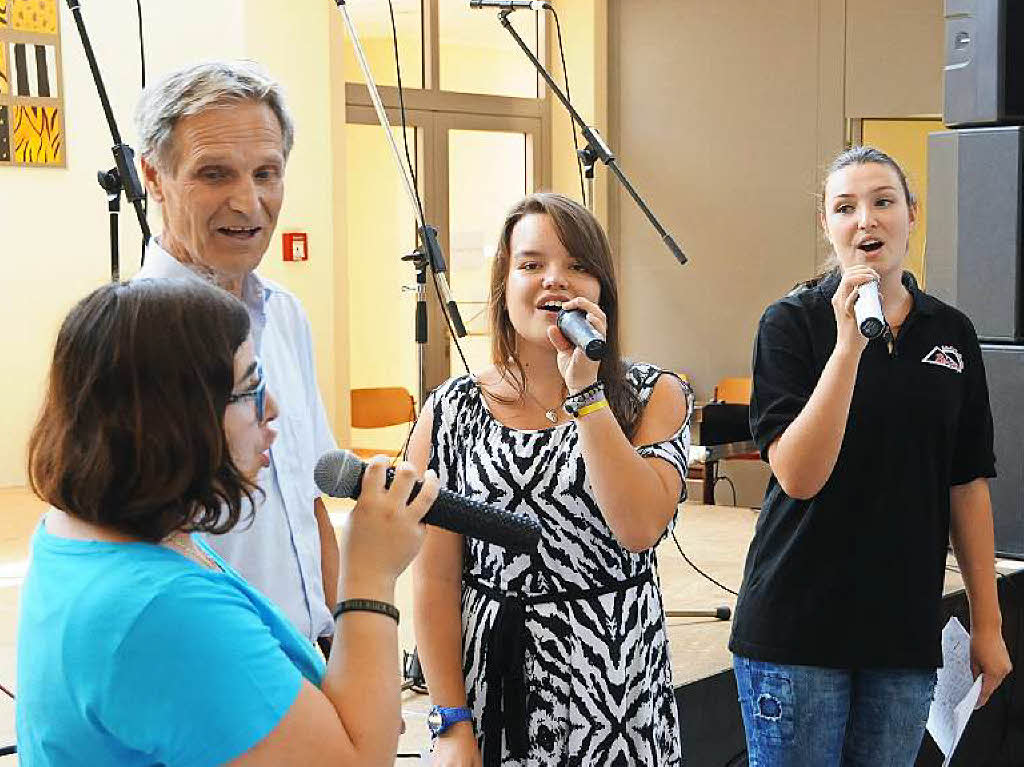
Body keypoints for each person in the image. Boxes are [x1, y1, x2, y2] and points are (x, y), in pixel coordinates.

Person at [16, 278, 439, 765]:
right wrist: (370, 574)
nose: (273, 408)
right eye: (251, 388)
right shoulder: (160, 610)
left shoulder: (82, 532)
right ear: (177, 416)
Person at [729, 146, 1012, 766]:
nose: (866, 221)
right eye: (845, 207)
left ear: (912, 213)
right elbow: (799, 477)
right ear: (827, 226)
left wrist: (986, 625)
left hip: (902, 636)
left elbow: (967, 484)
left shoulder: (952, 333)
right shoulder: (791, 324)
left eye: (883, 202)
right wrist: (848, 347)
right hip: (796, 631)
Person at [411, 192, 691, 766]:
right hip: (498, 683)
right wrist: (450, 721)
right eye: (532, 265)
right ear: (503, 286)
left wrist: (587, 393)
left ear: (602, 290)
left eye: (577, 266)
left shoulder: (653, 395)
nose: (554, 282)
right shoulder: (451, 410)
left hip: (617, 689)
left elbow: (638, 526)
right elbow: (435, 580)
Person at [132, 60, 339, 649]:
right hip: (218, 675)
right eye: (215, 175)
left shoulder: (287, 315)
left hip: (310, 661)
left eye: (266, 173)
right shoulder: (130, 340)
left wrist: (344, 650)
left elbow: (311, 501)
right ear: (153, 176)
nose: (248, 203)